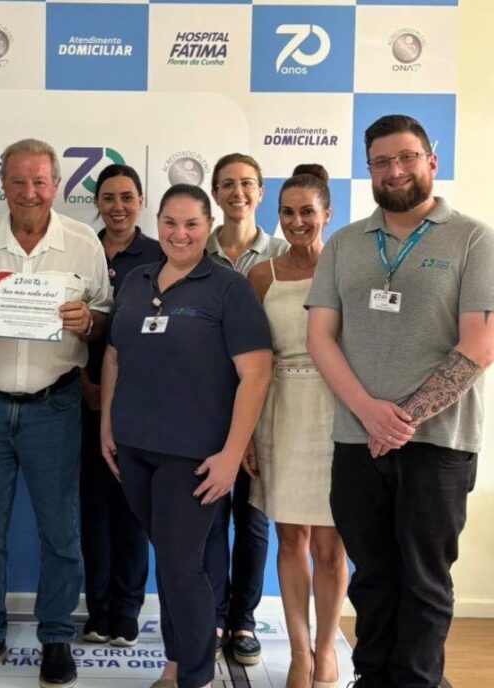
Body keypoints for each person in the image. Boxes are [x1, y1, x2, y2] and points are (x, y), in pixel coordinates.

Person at [306, 114, 494, 688]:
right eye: (382, 161)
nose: (395, 170)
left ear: (431, 161)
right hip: (356, 439)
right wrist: (369, 412)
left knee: (425, 580)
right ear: (368, 170)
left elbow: (481, 343)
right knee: (372, 578)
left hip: (438, 443)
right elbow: (320, 337)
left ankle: (416, 681)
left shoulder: (474, 238)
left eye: (407, 157)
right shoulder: (343, 244)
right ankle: (372, 677)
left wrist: (403, 418)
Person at [0, 138, 111, 688]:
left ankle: (56, 636)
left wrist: (89, 321)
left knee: (60, 530)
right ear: (3, 185)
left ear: (56, 184)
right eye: (18, 181)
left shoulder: (83, 242)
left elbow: (104, 317)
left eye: (39, 181)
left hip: (54, 406)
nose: (29, 192)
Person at [100, 184, 272, 688]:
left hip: (193, 456)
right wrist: (107, 424)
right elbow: (113, 356)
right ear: (157, 224)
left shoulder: (227, 288)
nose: (180, 234)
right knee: (173, 563)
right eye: (170, 223)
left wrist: (232, 455)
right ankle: (176, 665)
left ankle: (194, 677)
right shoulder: (137, 280)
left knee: (180, 568)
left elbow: (257, 373)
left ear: (208, 226)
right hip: (134, 449)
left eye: (192, 224)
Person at [245, 165, 347, 688]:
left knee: (331, 545)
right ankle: (300, 653)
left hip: (338, 413)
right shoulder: (261, 275)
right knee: (290, 539)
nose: (297, 221)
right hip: (280, 411)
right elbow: (250, 359)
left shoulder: (347, 266)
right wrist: (246, 432)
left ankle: (327, 650)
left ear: (327, 213)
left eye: (308, 211)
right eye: (287, 212)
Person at [205, 153, 288, 663]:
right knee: (210, 518)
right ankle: (214, 616)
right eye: (228, 184)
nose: (238, 192)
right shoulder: (197, 251)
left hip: (267, 405)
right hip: (208, 405)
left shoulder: (284, 254)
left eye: (247, 183)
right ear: (215, 193)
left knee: (254, 520)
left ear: (260, 192)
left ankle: (243, 620)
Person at [79, 164, 161, 647]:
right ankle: (98, 609)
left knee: (132, 508)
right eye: (108, 197)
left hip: (137, 402)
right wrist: (85, 383)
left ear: (141, 201)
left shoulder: (158, 254)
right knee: (93, 510)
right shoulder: (80, 248)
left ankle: (127, 609)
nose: (118, 206)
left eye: (127, 197)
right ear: (97, 203)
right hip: (80, 397)